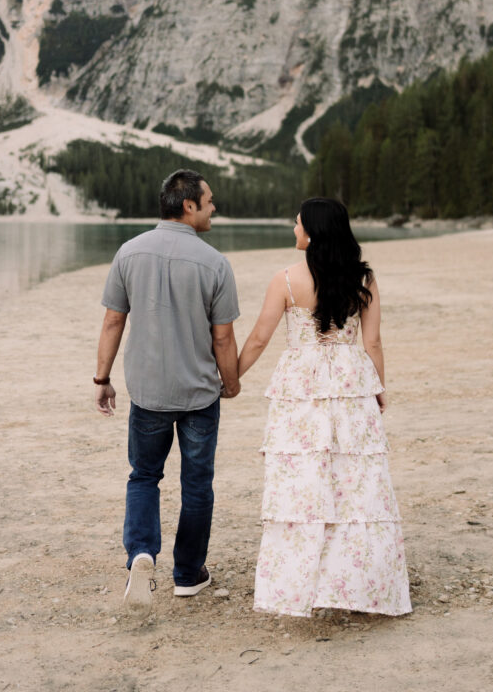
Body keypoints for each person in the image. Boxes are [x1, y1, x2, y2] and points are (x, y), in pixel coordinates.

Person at [238, 197, 412, 618]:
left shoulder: (285, 279)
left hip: (302, 386)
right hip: (351, 382)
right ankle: (357, 586)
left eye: (297, 224)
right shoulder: (363, 277)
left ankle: (299, 586)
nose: (293, 230)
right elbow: (372, 342)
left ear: (313, 232)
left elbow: (260, 337)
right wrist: (378, 386)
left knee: (303, 483)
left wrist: (233, 377)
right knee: (355, 484)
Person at [94, 169, 241, 619]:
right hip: (198, 394)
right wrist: (231, 381)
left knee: (143, 476)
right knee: (196, 485)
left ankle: (141, 553)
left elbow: (113, 322)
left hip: (148, 393)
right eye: (210, 201)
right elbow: (222, 340)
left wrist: (102, 379)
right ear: (189, 206)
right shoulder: (214, 263)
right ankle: (188, 574)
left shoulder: (129, 252)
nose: (215, 207)